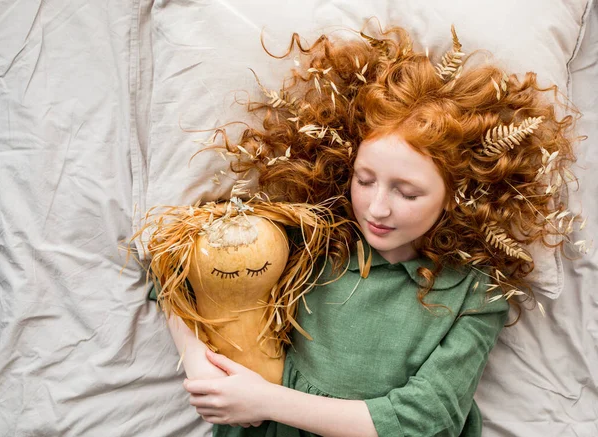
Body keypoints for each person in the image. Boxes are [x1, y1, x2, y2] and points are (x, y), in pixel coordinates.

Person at [167, 24, 581, 437]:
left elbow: (427, 417)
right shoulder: (314, 238)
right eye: (365, 181)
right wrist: (195, 356)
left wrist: (268, 400)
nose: (377, 208)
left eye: (407, 193)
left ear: (454, 196)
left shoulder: (474, 294)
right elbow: (173, 263)